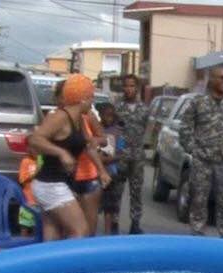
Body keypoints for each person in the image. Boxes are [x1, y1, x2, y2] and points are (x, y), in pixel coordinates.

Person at [29, 74, 110, 241]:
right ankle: (72, 267)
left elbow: (89, 145)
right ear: (81, 99)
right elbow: (35, 139)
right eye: (90, 97)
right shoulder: (60, 117)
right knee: (80, 230)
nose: (92, 102)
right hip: (49, 183)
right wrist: (61, 153)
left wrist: (102, 171)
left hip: (57, 182)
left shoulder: (79, 119)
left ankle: (50, 266)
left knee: (54, 231)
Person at [180, 67, 223, 238]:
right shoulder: (198, 102)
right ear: (211, 80)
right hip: (202, 161)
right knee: (198, 200)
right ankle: (197, 235)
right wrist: (191, 148)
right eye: (221, 78)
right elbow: (185, 126)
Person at [116, 74, 149, 234]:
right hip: (119, 156)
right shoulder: (117, 107)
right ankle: (114, 221)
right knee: (117, 190)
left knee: (136, 191)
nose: (129, 89)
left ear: (137, 88)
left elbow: (148, 131)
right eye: (126, 86)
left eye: (132, 86)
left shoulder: (144, 109)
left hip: (137, 157)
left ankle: (135, 223)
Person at [98, 103, 126, 235]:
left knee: (109, 207)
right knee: (94, 205)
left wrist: (109, 159)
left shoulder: (118, 132)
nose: (108, 118)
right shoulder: (95, 129)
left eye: (111, 116)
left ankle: (107, 233)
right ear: (100, 115)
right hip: (95, 173)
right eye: (105, 115)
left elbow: (120, 152)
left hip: (110, 173)